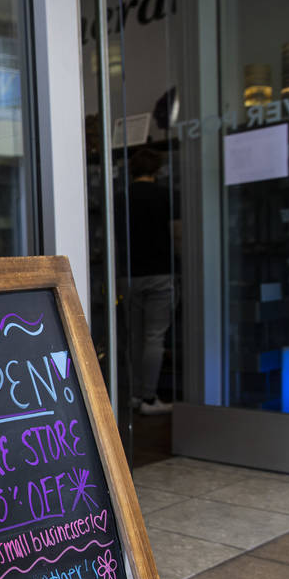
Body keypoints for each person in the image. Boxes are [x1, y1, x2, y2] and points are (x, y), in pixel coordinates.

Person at [116, 148, 177, 415]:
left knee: (134, 337)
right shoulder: (166, 196)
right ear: (157, 169)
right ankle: (149, 397)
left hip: (129, 274)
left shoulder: (120, 198)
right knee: (154, 336)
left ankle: (134, 395)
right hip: (161, 272)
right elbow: (178, 235)